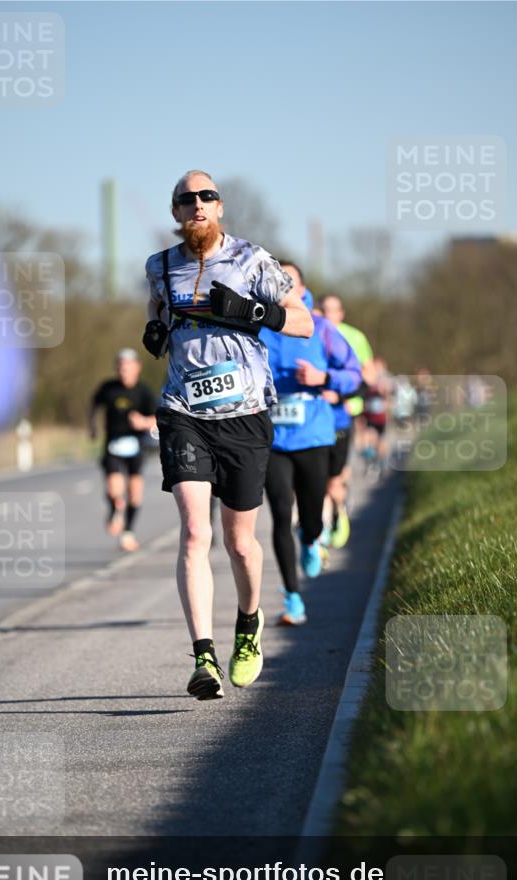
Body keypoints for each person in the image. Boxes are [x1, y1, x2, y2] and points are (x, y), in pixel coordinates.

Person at [143, 170, 312, 701]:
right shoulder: (160, 266)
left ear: (220, 208)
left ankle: (248, 624)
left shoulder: (250, 259)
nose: (197, 205)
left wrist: (253, 310)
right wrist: (154, 330)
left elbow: (303, 322)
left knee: (241, 544)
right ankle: (203, 658)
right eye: (186, 199)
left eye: (206, 197)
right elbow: (156, 316)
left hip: (243, 413)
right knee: (196, 533)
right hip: (183, 411)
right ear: (175, 212)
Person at [261, 264, 361, 626]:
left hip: (314, 436)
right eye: (274, 280)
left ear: (302, 287)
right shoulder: (259, 326)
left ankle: (311, 537)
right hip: (271, 439)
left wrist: (324, 377)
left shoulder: (322, 329)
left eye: (288, 280)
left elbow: (354, 374)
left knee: (311, 515)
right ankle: (292, 598)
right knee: (279, 511)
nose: (281, 285)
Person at [319, 294, 374, 548]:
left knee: (337, 474)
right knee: (318, 474)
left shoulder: (355, 337)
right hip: (315, 415)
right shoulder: (311, 333)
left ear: (341, 313)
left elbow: (368, 377)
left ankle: (338, 508)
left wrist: (344, 394)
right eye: (325, 310)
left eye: (334, 310)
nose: (330, 315)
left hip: (346, 411)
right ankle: (323, 518)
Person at [89, 348, 157, 552]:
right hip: (113, 444)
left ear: (137, 368)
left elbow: (157, 418)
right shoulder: (108, 388)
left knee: (135, 492)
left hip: (136, 445)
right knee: (114, 489)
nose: (123, 371)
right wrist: (91, 425)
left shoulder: (144, 391)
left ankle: (128, 532)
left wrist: (143, 422)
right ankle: (114, 508)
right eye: (120, 367)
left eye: (127, 367)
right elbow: (94, 405)